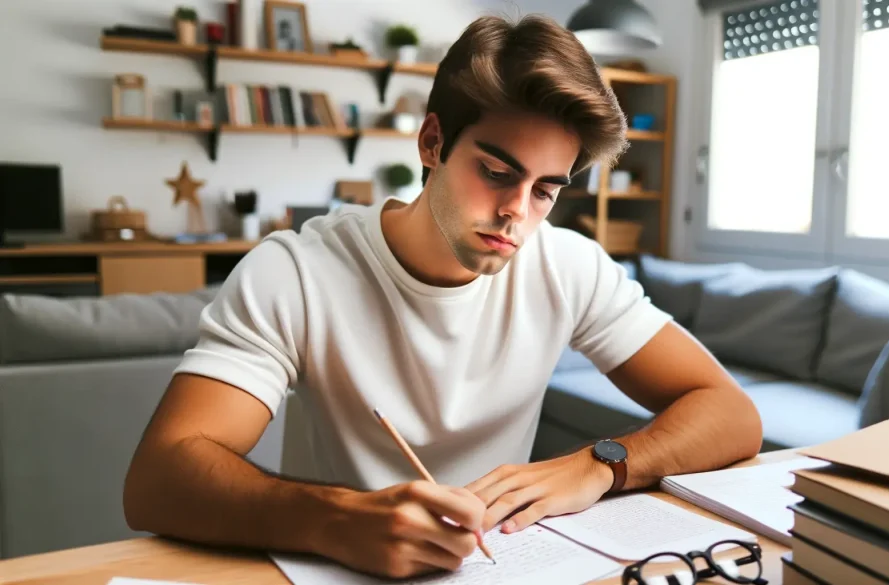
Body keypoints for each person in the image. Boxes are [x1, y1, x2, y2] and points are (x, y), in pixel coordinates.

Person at [122, 12, 762, 581]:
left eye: (545, 190)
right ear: (432, 143)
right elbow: (159, 480)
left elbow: (732, 416)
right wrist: (337, 519)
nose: (516, 212)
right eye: (496, 172)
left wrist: (600, 466)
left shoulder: (569, 265)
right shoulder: (296, 271)